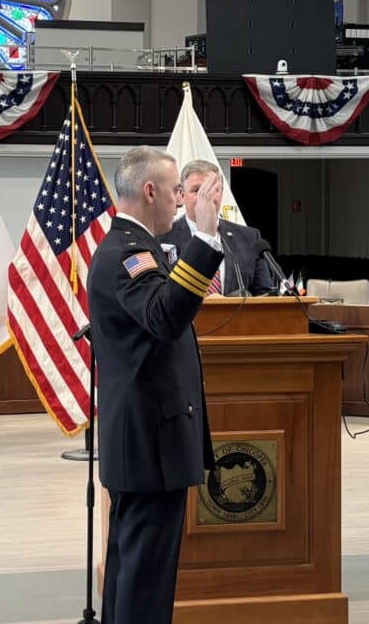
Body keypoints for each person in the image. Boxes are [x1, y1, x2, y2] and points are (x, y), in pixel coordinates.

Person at [87, 145, 224, 624]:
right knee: (145, 581)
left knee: (133, 572)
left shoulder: (131, 248)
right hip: (149, 444)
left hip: (145, 442)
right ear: (149, 191)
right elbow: (165, 317)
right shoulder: (128, 255)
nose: (180, 202)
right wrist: (204, 237)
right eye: (174, 192)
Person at [157, 159, 275, 296]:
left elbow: (266, 296)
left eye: (212, 189)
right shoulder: (161, 238)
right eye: (196, 190)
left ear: (222, 193)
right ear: (182, 196)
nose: (205, 197)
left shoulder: (249, 238)